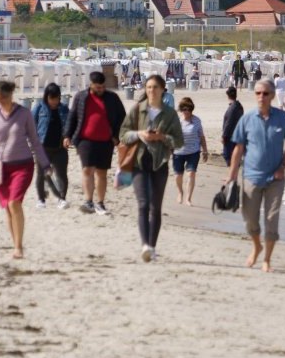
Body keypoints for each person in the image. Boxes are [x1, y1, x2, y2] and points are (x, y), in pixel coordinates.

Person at [0, 81, 52, 260]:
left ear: (11, 95)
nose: (1, 102)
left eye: (4, 98)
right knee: (7, 207)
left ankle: (18, 247)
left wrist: (45, 163)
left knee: (14, 202)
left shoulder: (24, 114)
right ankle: (15, 243)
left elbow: (35, 141)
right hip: (0, 167)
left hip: (23, 165)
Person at [226, 78, 285, 272]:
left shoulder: (282, 117)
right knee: (250, 219)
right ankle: (256, 245)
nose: (261, 97)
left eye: (265, 93)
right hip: (251, 176)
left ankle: (267, 260)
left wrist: (282, 166)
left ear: (272, 95)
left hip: (276, 178)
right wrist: (232, 175)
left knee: (272, 219)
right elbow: (238, 149)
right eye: (258, 93)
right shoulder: (247, 119)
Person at [118, 75, 183, 263]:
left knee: (155, 207)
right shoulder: (138, 110)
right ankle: (145, 245)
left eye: (155, 87)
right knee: (143, 204)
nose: (151, 90)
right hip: (138, 162)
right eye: (148, 87)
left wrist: (161, 137)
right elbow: (123, 134)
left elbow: (178, 141)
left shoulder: (170, 114)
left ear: (163, 89)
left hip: (160, 163)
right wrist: (139, 134)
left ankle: (152, 247)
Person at [64, 70, 126, 216]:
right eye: (98, 87)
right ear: (91, 85)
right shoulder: (81, 97)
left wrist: (117, 136)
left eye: (103, 87)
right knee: (87, 169)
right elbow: (72, 117)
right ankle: (88, 201)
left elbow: (122, 118)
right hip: (85, 140)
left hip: (106, 141)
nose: (101, 90)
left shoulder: (112, 98)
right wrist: (67, 135)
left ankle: (100, 203)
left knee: (102, 172)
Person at [31, 83, 70, 209]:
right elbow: (30, 125)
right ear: (46, 97)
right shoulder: (39, 108)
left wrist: (68, 137)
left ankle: (62, 198)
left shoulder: (64, 109)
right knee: (41, 174)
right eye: (51, 98)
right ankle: (41, 200)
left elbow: (70, 126)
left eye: (56, 98)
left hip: (60, 148)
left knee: (62, 174)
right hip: (43, 149)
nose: (54, 101)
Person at [173, 96, 209, 205]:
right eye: (184, 109)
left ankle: (188, 198)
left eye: (189, 109)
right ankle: (180, 192)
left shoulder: (196, 121)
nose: (186, 111)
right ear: (181, 109)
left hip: (193, 152)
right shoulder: (177, 121)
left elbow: (201, 136)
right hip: (178, 152)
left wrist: (205, 150)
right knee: (178, 175)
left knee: (191, 174)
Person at [221, 86, 243, 167]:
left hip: (230, 136)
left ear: (228, 95)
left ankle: (232, 176)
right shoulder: (239, 106)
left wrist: (224, 136)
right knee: (234, 157)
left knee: (228, 156)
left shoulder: (232, 107)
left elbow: (228, 123)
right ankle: (233, 175)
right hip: (237, 135)